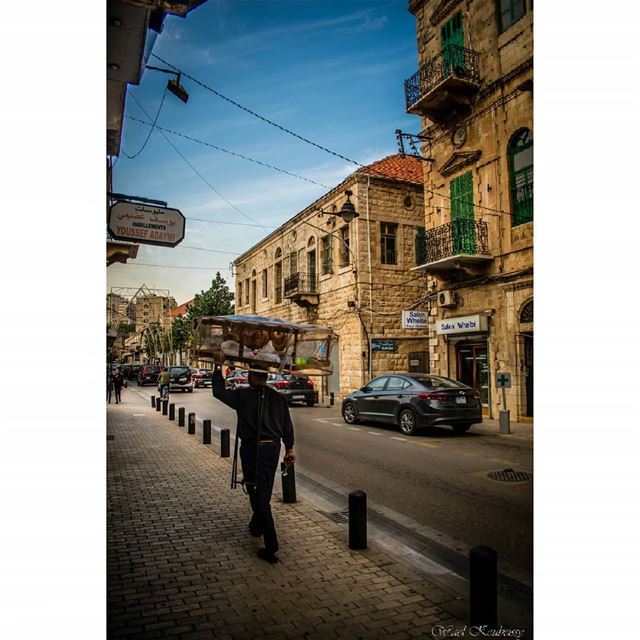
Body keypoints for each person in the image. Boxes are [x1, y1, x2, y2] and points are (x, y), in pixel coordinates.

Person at [212, 356, 295, 564]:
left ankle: (271, 544)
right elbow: (287, 425)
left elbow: (218, 391)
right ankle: (256, 526)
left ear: (254, 377)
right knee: (263, 489)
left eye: (250, 374)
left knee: (256, 492)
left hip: (252, 450)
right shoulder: (278, 398)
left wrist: (217, 367)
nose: (248, 377)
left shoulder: (243, 396)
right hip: (272, 449)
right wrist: (289, 448)